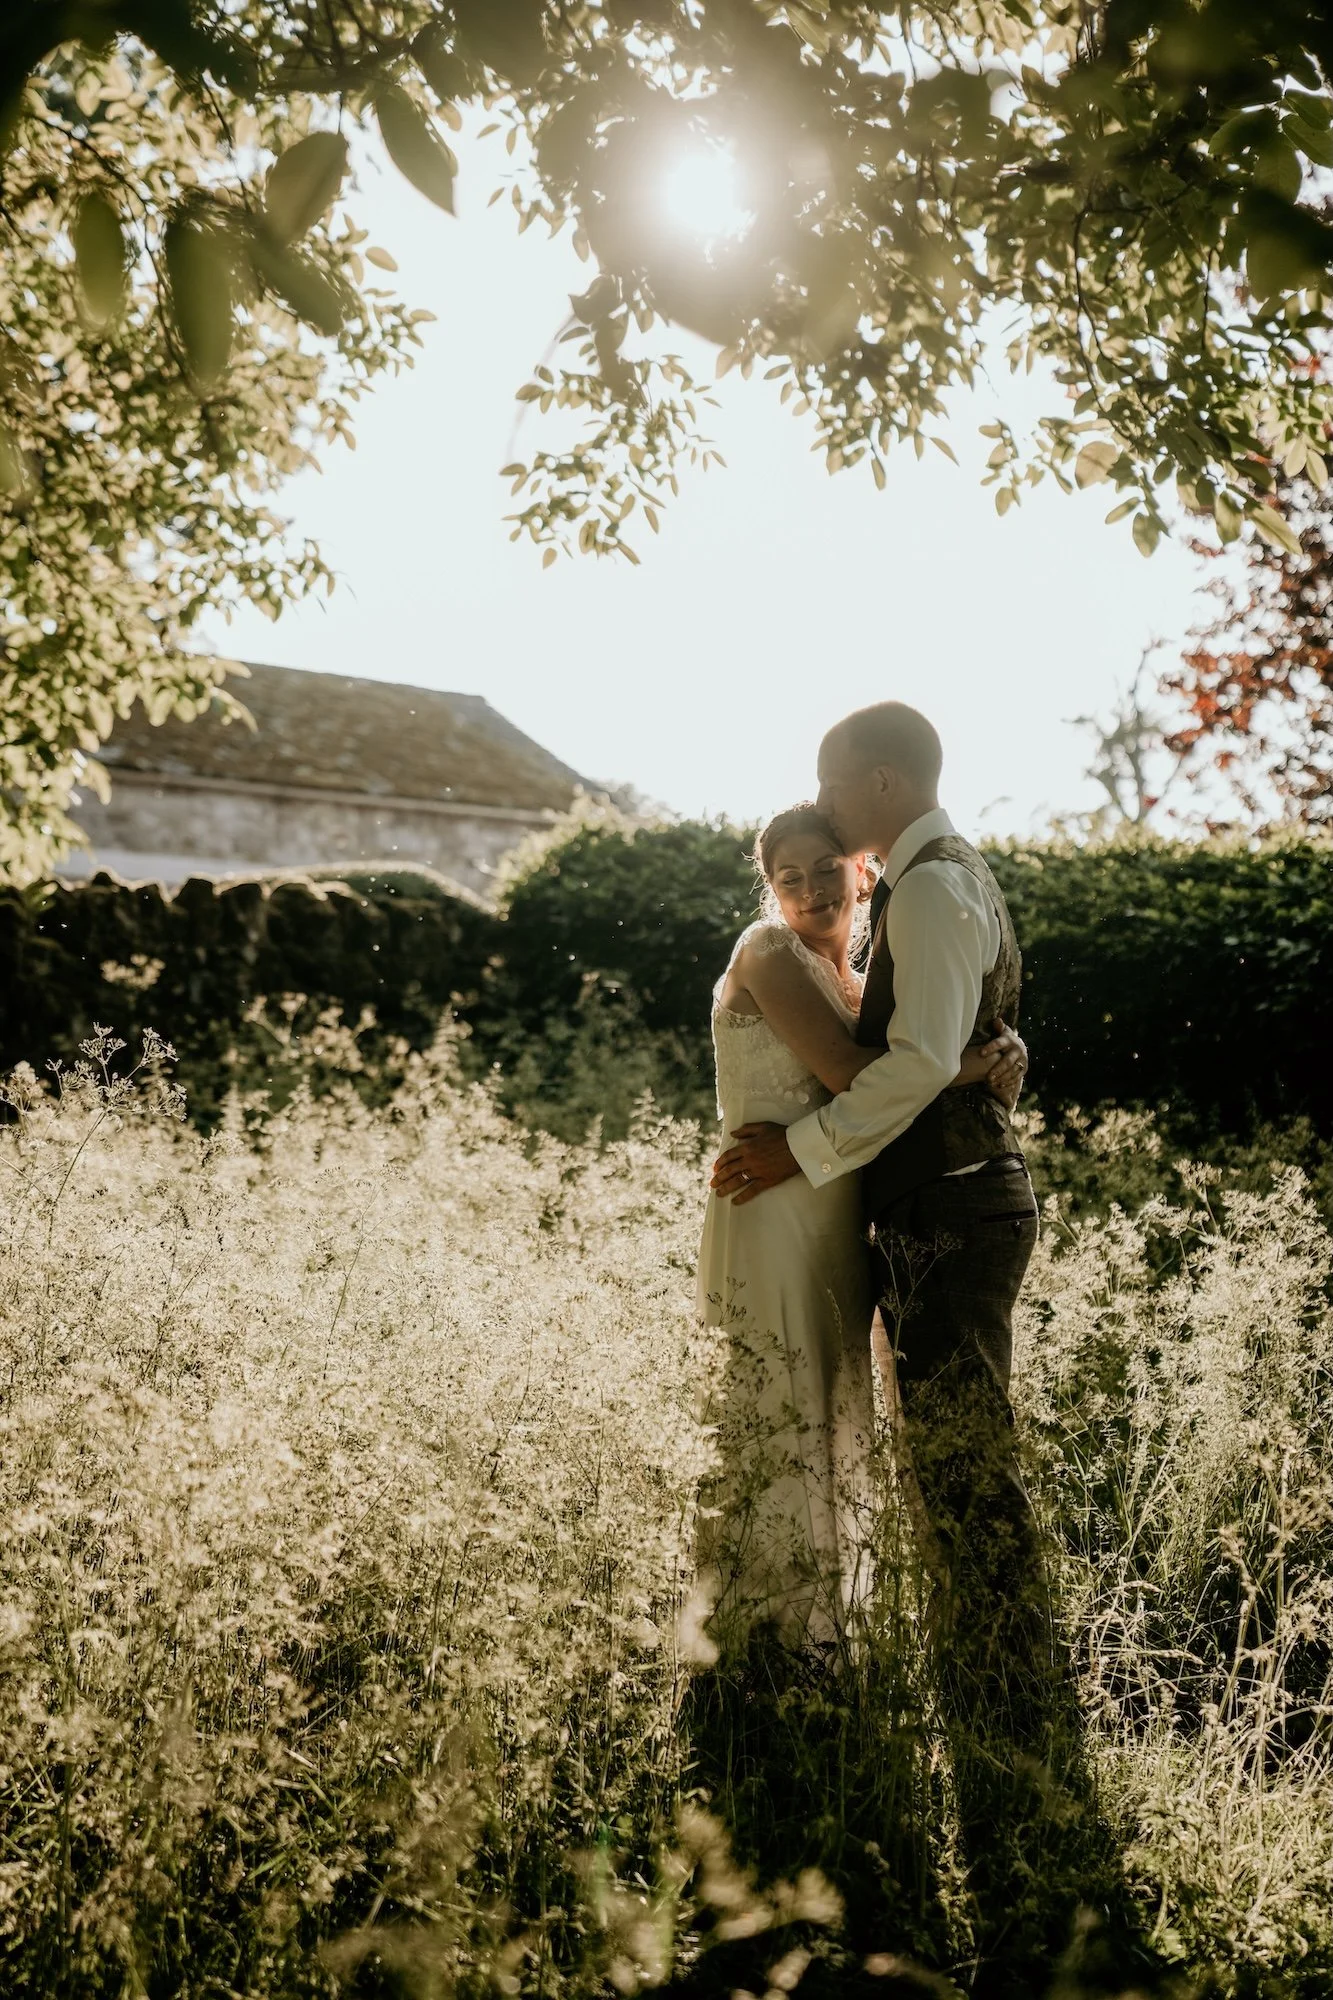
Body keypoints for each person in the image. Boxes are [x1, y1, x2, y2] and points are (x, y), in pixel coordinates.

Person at [710, 705, 1117, 1998]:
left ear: (876, 782)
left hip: (936, 1210)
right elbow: (923, 1050)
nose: (828, 838)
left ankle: (1008, 1718)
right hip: (888, 1211)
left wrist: (838, 1133)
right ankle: (868, 1671)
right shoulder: (922, 888)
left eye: (836, 797)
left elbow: (909, 1056)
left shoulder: (930, 889)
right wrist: (979, 1062)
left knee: (961, 1467)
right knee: (925, 1453)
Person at [696, 800, 1025, 1657]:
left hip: (839, 1206)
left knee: (834, 1395)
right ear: (769, 890)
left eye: (824, 869)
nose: (809, 889)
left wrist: (994, 1055)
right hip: (769, 1201)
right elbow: (848, 1075)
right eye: (787, 877)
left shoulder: (857, 972)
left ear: (861, 873)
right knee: (777, 1388)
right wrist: (969, 1067)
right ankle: (757, 1628)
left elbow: (907, 1058)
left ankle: (825, 1624)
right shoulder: (765, 952)